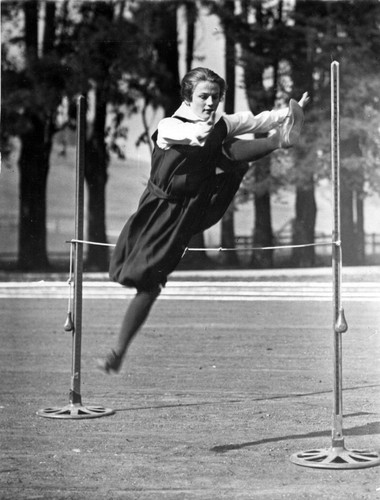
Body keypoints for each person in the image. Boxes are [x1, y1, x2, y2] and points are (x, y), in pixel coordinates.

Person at [98, 67, 309, 373]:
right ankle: (118, 353)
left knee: (149, 281)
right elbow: (194, 136)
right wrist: (212, 130)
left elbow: (255, 119)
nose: (210, 103)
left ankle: (280, 139)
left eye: (215, 97)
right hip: (158, 211)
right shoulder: (170, 125)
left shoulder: (220, 122)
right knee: (147, 283)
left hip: (190, 211)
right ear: (189, 96)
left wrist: (289, 112)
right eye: (203, 97)